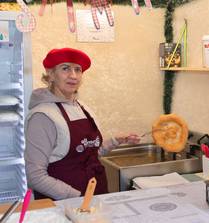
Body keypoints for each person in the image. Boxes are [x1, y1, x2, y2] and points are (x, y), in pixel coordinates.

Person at [25, 48, 140, 200]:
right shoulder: (42, 116)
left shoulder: (82, 107)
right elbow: (35, 176)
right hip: (64, 204)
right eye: (65, 68)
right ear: (51, 74)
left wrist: (116, 141)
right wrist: (78, 198)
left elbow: (88, 154)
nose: (73, 75)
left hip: (96, 196)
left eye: (77, 69)